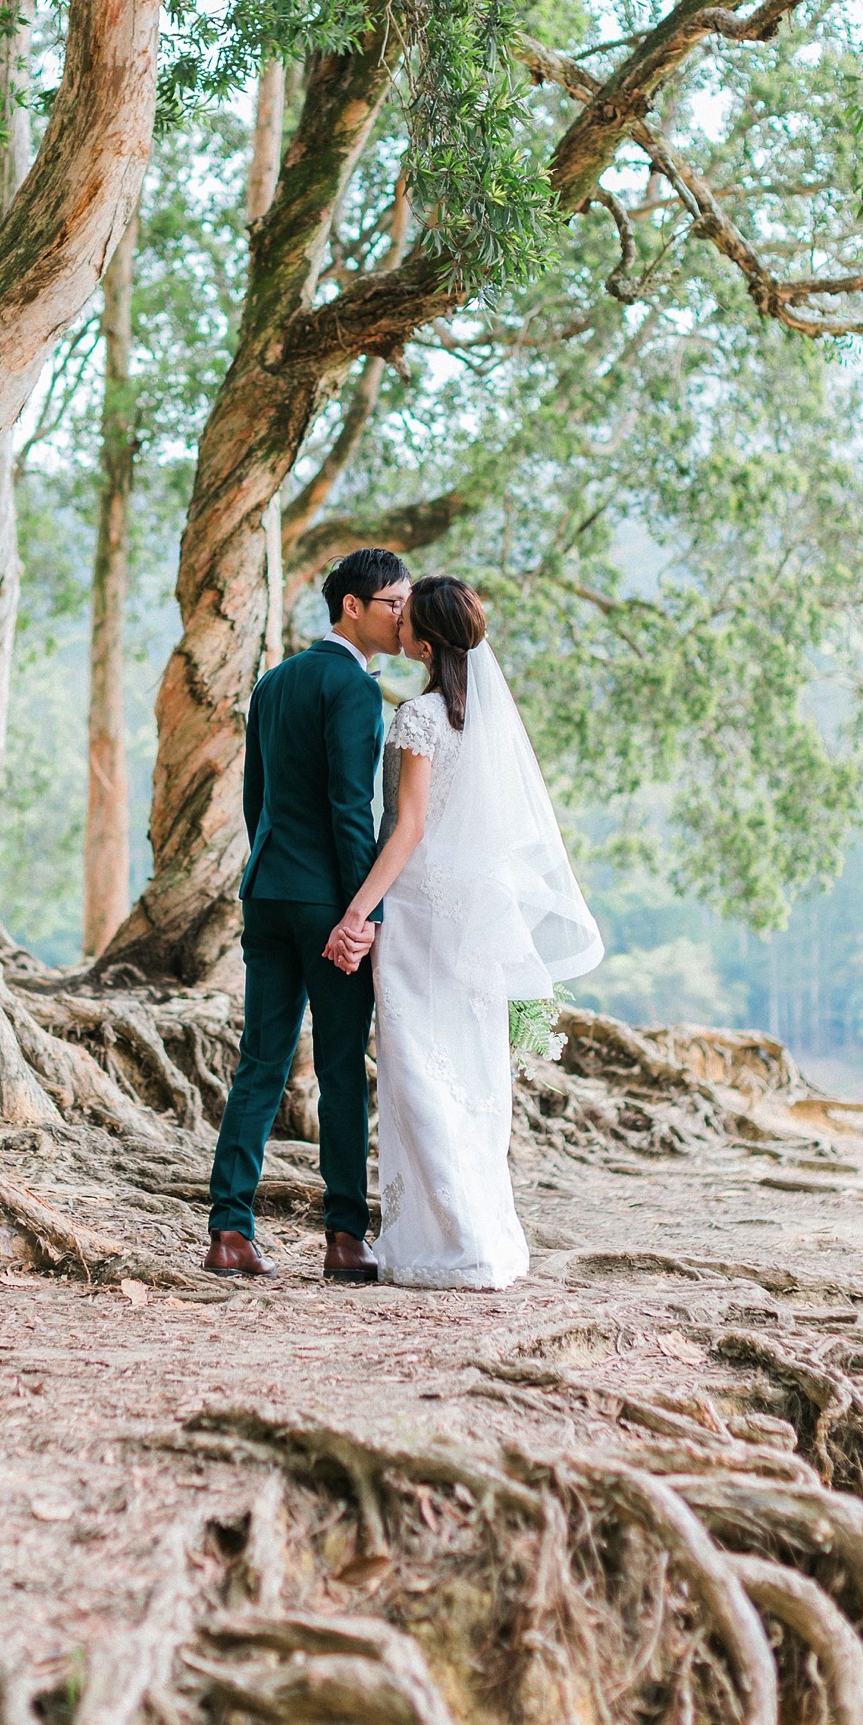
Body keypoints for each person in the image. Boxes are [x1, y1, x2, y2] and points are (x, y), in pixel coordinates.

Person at [325, 576, 602, 1289]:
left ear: (422, 639)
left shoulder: (419, 717)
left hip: (420, 914)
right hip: (480, 915)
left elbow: (408, 829)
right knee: (473, 1075)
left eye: (406, 618)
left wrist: (358, 912)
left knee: (417, 1069)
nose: (399, 627)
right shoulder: (487, 721)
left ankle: (449, 1243)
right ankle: (478, 1236)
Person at [204, 547, 411, 1281]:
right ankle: (344, 1237)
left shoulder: (275, 679)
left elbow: (255, 799)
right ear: (351, 606)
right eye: (393, 602)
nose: (402, 615)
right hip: (329, 905)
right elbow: (352, 811)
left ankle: (229, 1230)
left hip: (266, 892)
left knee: (258, 1062)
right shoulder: (353, 689)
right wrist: (364, 913)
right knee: (339, 1071)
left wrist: (273, 867)